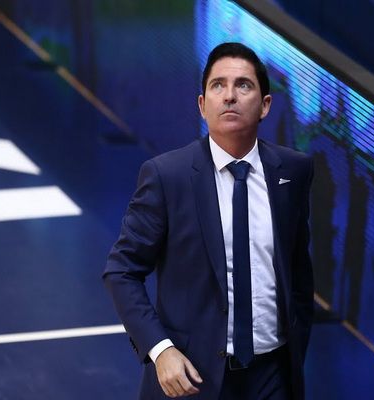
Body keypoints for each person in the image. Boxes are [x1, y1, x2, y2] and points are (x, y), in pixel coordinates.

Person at [103, 42, 314, 399]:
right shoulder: (167, 176)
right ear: (202, 105)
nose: (229, 96)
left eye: (243, 85)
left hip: (273, 378)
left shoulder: (294, 170)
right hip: (192, 380)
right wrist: (161, 350)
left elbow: (298, 271)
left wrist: (295, 347)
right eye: (218, 85)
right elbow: (121, 270)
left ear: (265, 105)